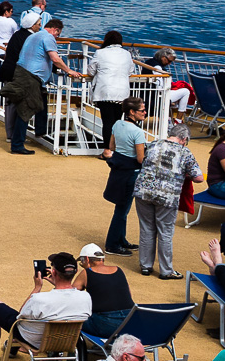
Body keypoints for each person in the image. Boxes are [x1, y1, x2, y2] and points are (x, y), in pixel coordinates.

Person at [0, 251, 92, 361]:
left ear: (53, 272)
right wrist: (58, 286)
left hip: (33, 340)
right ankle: (12, 347)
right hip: (66, 342)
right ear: (75, 272)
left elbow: (20, 317)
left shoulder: (40, 299)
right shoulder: (86, 298)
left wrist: (37, 288)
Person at [134, 122, 201, 279]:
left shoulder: (153, 144)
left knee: (146, 228)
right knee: (165, 232)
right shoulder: (185, 152)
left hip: (143, 191)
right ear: (184, 139)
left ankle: (145, 266)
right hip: (167, 196)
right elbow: (198, 178)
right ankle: (166, 270)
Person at [4, 18, 80, 155]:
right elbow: (55, 58)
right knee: (25, 110)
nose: (58, 37)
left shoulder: (33, 36)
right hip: (31, 78)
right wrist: (69, 71)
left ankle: (40, 130)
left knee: (39, 102)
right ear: (55, 30)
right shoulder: (48, 37)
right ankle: (17, 145)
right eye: (59, 34)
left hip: (23, 74)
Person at [101, 97, 148, 254]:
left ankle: (121, 239)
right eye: (142, 110)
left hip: (118, 169)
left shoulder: (117, 124)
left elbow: (112, 146)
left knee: (122, 208)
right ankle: (112, 245)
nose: (145, 112)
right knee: (122, 210)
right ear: (132, 112)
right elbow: (141, 159)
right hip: (131, 173)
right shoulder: (138, 132)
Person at [76, 243, 135, 340]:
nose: (82, 265)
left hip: (106, 325)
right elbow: (129, 295)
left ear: (86, 259)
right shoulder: (119, 270)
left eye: (82, 262)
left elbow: (70, 295)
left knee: (73, 318)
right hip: (130, 323)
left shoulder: (87, 272)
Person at [86, 30, 137, 138]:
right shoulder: (127, 54)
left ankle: (107, 150)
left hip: (105, 91)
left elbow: (90, 71)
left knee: (107, 121)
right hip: (122, 93)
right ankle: (115, 148)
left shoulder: (100, 52)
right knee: (117, 122)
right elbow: (130, 71)